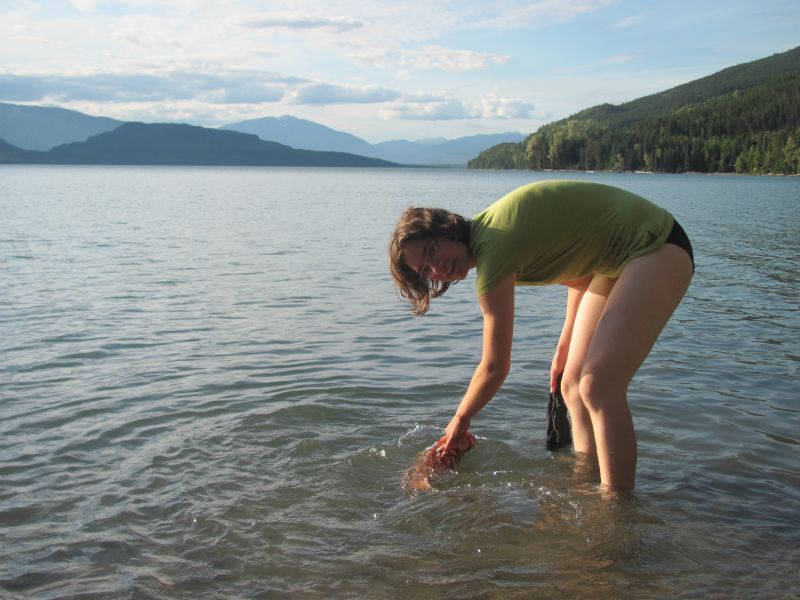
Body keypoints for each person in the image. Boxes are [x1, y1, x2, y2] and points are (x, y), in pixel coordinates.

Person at [388, 180, 694, 493]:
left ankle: (615, 507)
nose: (436, 267)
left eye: (431, 251)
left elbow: (495, 366)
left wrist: (459, 420)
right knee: (571, 384)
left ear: (446, 229)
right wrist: (565, 345)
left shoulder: (495, 247)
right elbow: (581, 273)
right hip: (615, 262)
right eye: (425, 270)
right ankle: (586, 481)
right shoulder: (492, 240)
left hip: (656, 245)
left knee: (598, 385)